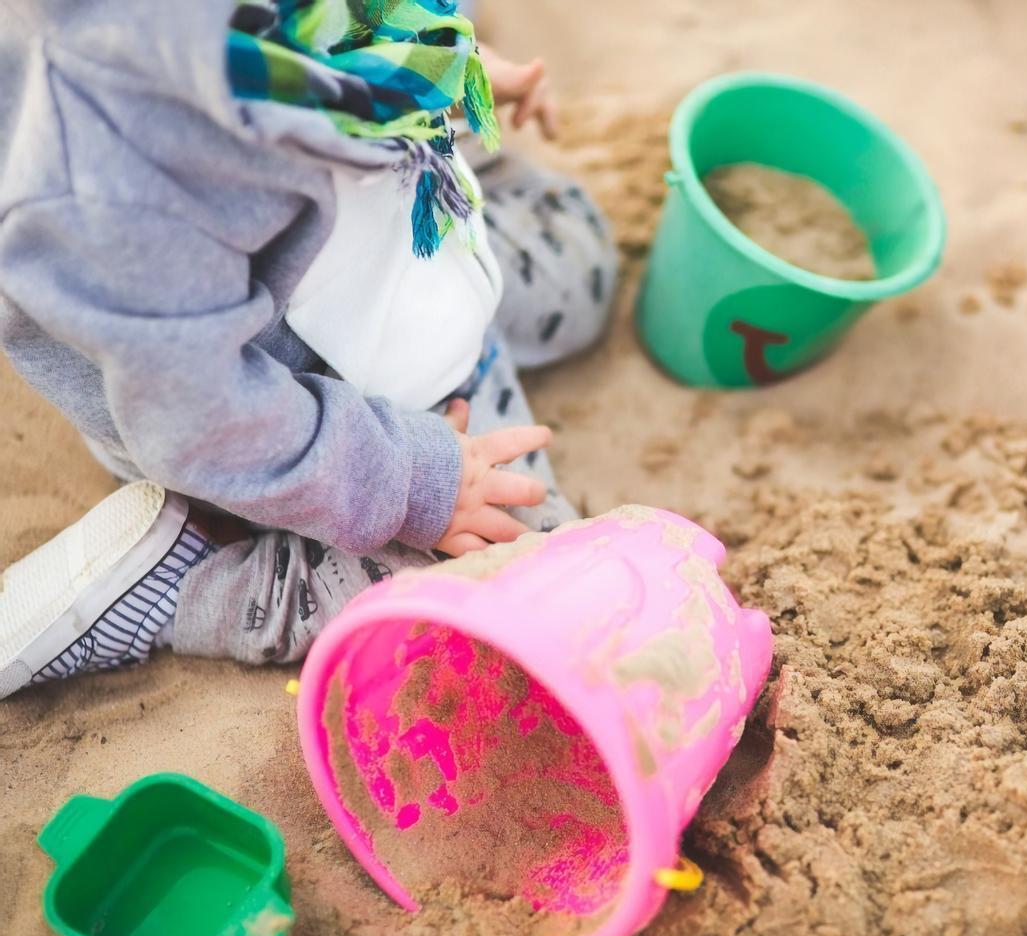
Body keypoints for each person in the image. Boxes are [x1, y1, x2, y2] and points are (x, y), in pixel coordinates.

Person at [0, 0, 616, 697]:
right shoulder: (105, 173)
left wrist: (439, 67)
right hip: (297, 416)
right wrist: (417, 483)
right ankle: (190, 582)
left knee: (584, 264)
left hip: (392, 251)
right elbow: (206, 423)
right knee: (526, 576)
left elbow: (345, 23)